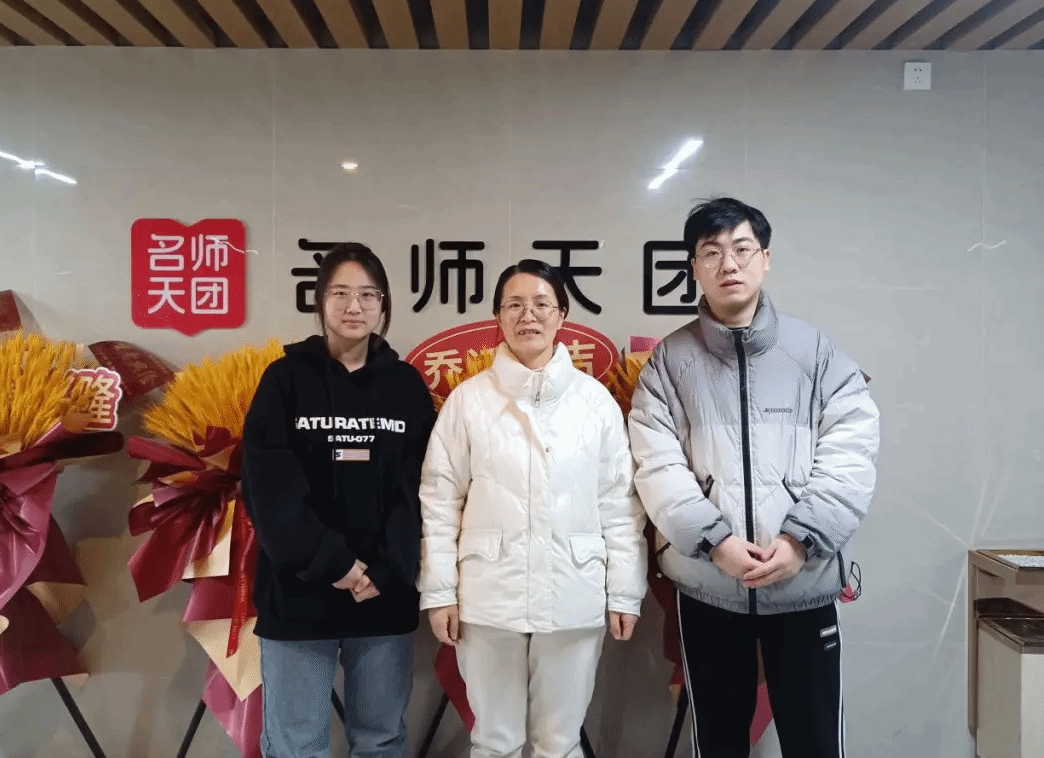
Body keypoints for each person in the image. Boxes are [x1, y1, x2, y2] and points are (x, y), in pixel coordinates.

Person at [628, 197, 880, 758]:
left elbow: (852, 454)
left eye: (742, 249)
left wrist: (800, 540)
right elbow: (657, 465)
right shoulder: (670, 363)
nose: (729, 264)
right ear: (694, 267)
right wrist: (715, 542)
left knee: (815, 743)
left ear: (765, 259)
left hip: (804, 583)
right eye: (712, 252)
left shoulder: (816, 352)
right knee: (719, 742)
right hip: (708, 586)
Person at [418, 259, 647, 758]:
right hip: (488, 595)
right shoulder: (469, 402)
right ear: (498, 317)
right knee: (494, 740)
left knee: (559, 743)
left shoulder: (595, 404)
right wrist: (439, 591)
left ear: (562, 315)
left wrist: (625, 592)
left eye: (542, 304)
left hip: (573, 590)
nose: (529, 316)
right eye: (515, 305)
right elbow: (439, 501)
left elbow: (620, 505)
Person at [241, 242, 436, 758]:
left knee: (381, 739)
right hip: (299, 595)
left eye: (368, 295)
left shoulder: (406, 386)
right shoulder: (284, 380)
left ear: (383, 303)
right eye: (341, 293)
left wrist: (387, 569)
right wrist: (335, 564)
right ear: (320, 301)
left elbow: (421, 489)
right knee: (296, 745)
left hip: (383, 596)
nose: (355, 306)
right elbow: (268, 489)